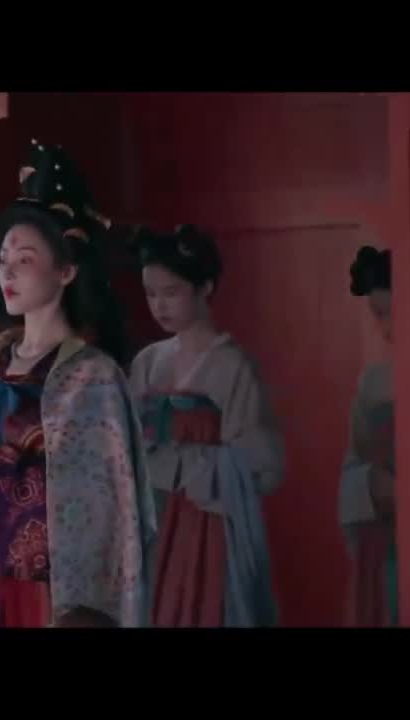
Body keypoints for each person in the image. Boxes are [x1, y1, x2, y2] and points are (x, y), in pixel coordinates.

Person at [0, 140, 157, 628]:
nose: (6, 270)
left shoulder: (91, 377)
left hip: (45, 591)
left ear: (66, 270)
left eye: (24, 258)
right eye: (3, 257)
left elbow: (91, 506)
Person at [128, 225, 285, 627]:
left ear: (205, 287)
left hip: (211, 524)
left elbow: (263, 466)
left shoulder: (233, 366)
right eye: (150, 294)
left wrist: (182, 464)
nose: (159, 305)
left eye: (172, 292)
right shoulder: (148, 362)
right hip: (154, 520)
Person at [339, 245, 397, 627]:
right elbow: (352, 470)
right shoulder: (374, 383)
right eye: (379, 315)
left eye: (393, 312)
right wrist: (372, 483)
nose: (387, 327)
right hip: (388, 535)